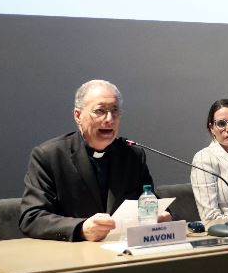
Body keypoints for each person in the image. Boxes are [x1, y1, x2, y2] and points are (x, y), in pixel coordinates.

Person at [20, 79, 168, 241]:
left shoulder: (132, 156)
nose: (109, 119)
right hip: (74, 255)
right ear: (78, 115)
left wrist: (160, 217)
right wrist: (81, 228)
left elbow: (149, 200)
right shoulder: (49, 155)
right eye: (100, 111)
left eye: (115, 111)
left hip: (126, 252)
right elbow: (32, 218)